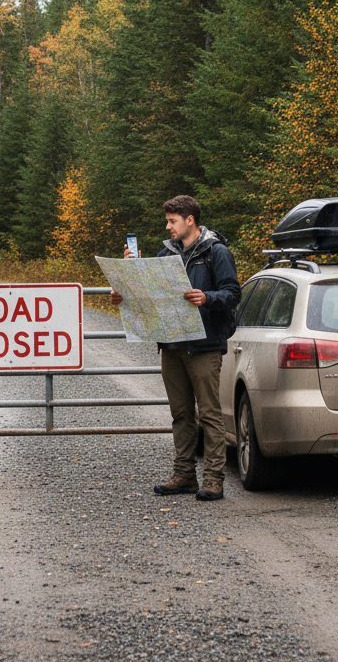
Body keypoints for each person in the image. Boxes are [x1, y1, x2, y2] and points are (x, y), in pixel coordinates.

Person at [110, 195, 240, 501]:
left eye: (172, 221)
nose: (168, 227)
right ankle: (184, 476)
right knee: (180, 413)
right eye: (167, 221)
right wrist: (125, 292)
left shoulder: (215, 251)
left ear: (189, 220)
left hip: (204, 344)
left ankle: (213, 479)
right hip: (171, 344)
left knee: (209, 413)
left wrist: (207, 298)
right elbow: (151, 300)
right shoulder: (165, 255)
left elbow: (233, 293)